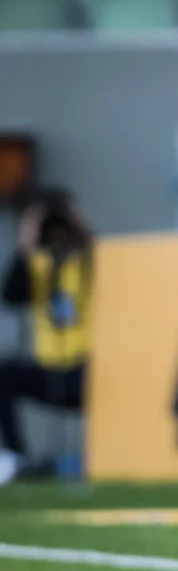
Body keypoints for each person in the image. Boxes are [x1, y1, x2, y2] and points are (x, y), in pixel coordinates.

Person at [0, 188, 92, 486]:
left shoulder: (88, 261)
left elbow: (100, 254)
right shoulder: (37, 264)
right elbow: (12, 296)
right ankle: (16, 458)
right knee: (5, 374)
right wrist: (26, 239)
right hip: (48, 367)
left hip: (88, 369)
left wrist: (78, 224)